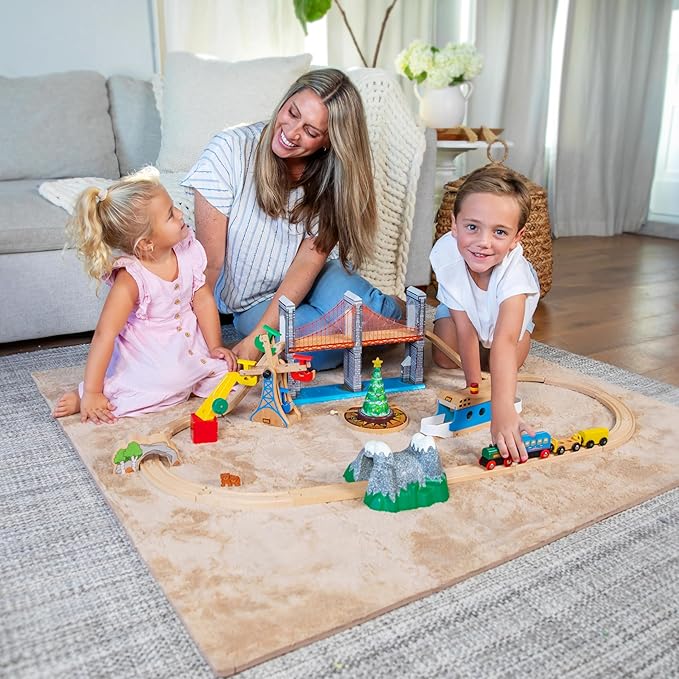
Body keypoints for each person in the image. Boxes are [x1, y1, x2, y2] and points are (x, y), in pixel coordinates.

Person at [181, 68, 404, 370]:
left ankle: (392, 308)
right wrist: (198, 341)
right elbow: (210, 264)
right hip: (252, 300)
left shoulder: (332, 177)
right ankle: (362, 335)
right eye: (292, 113)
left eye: (311, 131)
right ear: (286, 99)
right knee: (317, 348)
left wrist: (259, 339)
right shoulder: (228, 151)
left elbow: (307, 262)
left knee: (378, 317)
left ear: (329, 141)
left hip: (314, 278)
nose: (292, 132)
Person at [52, 169, 237, 424]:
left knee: (228, 373)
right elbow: (105, 334)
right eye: (171, 214)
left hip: (189, 341)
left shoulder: (188, 251)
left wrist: (215, 346)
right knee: (164, 384)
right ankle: (86, 393)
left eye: (174, 207)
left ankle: (193, 373)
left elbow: (203, 299)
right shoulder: (131, 278)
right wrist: (93, 392)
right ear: (147, 243)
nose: (181, 214)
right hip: (149, 352)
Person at [430, 165, 540, 464]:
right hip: (466, 309)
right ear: (454, 224)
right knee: (444, 357)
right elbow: (465, 329)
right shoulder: (446, 254)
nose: (483, 242)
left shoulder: (515, 276)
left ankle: (523, 332)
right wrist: (474, 386)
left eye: (499, 232)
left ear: (517, 238)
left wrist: (502, 410)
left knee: (504, 363)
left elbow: (504, 340)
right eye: (472, 227)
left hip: (505, 323)